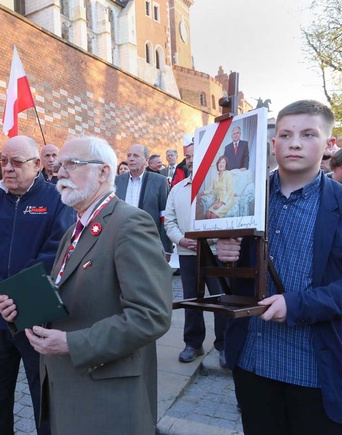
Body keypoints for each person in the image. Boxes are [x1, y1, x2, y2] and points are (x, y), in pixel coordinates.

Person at [0, 136, 172, 434]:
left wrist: (71, 343)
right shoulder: (75, 229)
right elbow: (64, 297)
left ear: (104, 172)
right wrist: (18, 308)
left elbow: (151, 316)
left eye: (71, 165)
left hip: (106, 399)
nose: (59, 173)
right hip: (70, 392)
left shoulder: (130, 224)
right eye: (59, 165)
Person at [217, 100, 342, 434]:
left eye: (308, 134)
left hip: (313, 368)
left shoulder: (338, 204)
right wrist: (223, 254)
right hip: (253, 360)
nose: (295, 142)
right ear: (273, 145)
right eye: (285, 135)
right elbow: (229, 278)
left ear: (330, 144)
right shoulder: (246, 198)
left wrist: (297, 304)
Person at [0, 135, 74, 435]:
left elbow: (55, 252)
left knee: (46, 402)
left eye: (16, 162)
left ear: (37, 164)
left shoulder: (56, 199)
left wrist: (11, 293)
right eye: (4, 161)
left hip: (36, 319)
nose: (8, 168)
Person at [165, 144, 227, 366]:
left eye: (195, 156)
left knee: (220, 299)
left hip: (214, 251)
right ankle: (193, 343)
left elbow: (227, 216)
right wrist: (181, 239)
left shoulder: (218, 187)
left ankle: (224, 345)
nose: (191, 160)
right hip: (187, 252)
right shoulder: (178, 189)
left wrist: (210, 239)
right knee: (191, 299)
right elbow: (169, 220)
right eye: (188, 157)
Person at [115, 144, 172, 258]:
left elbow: (165, 215)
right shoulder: (117, 181)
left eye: (136, 156)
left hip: (148, 242)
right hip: (120, 241)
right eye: (129, 155)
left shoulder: (159, 181)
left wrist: (166, 248)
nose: (131, 159)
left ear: (146, 160)